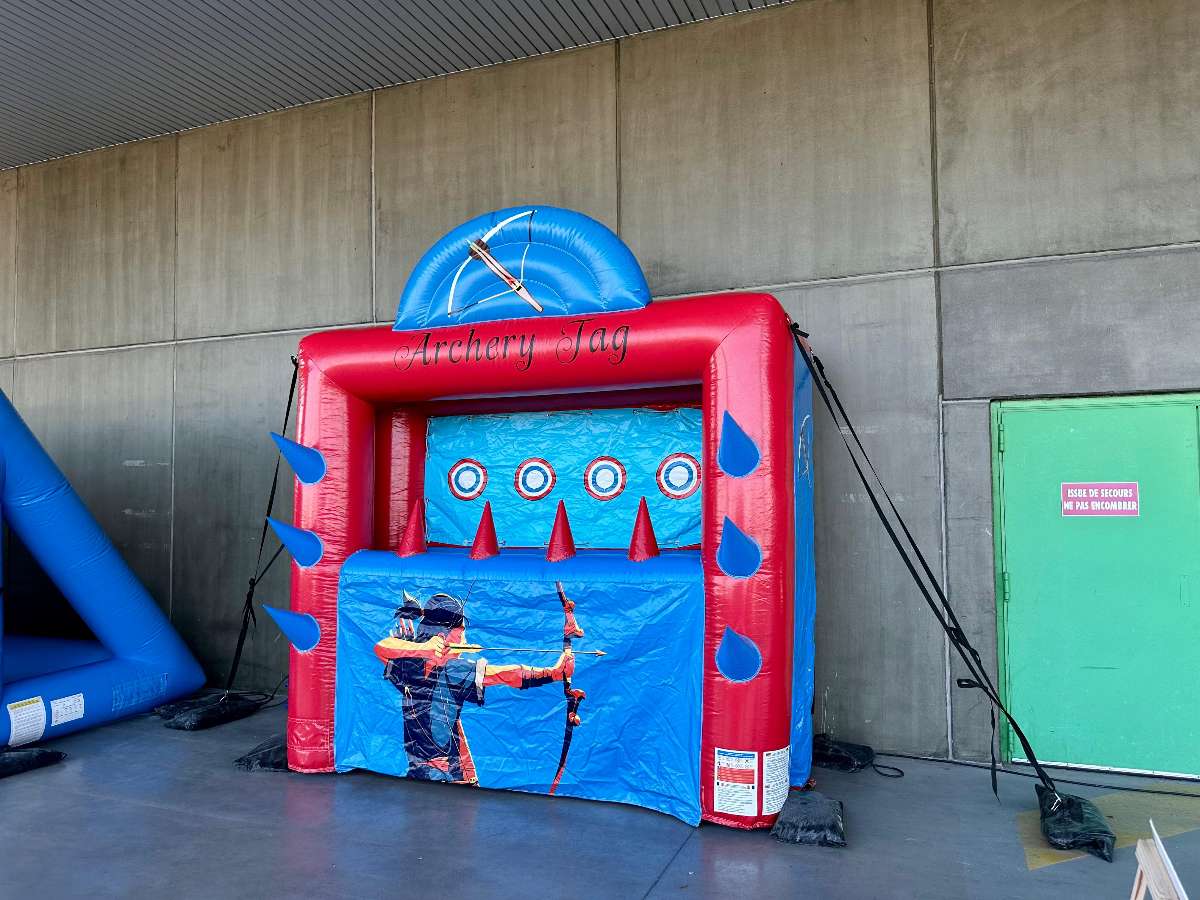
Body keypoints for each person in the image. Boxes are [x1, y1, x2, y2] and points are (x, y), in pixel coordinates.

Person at [374, 591, 573, 783]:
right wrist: (421, 649)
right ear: (444, 636)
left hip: (445, 774)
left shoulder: (444, 669)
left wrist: (553, 673)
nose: (464, 641)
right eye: (460, 634)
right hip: (433, 775)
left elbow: (506, 674)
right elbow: (380, 647)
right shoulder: (419, 667)